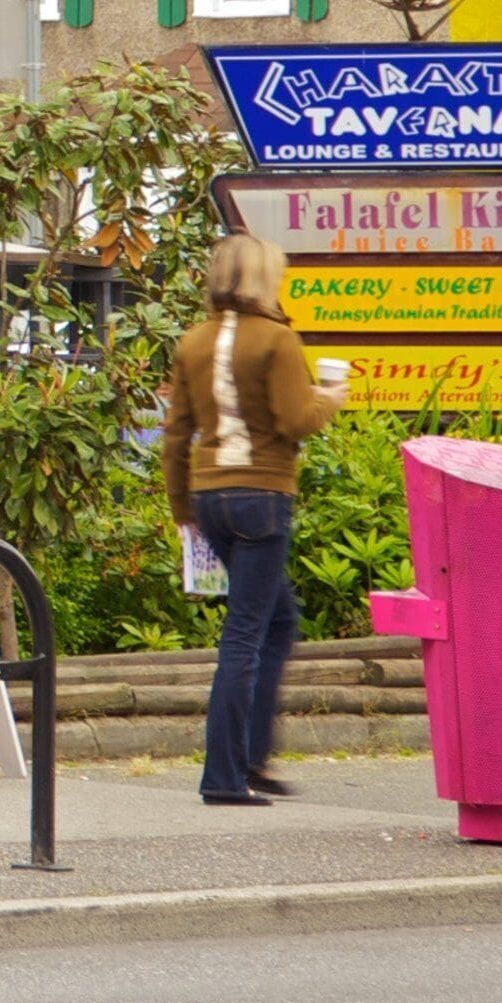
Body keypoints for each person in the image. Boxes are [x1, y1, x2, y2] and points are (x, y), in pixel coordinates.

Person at [161, 232, 346, 808]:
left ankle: (253, 756)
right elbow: (295, 421)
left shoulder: (193, 341)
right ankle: (225, 773)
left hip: (211, 497)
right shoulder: (278, 340)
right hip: (262, 495)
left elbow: (174, 435)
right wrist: (333, 396)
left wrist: (182, 512)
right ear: (264, 279)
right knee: (244, 636)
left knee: (276, 621)